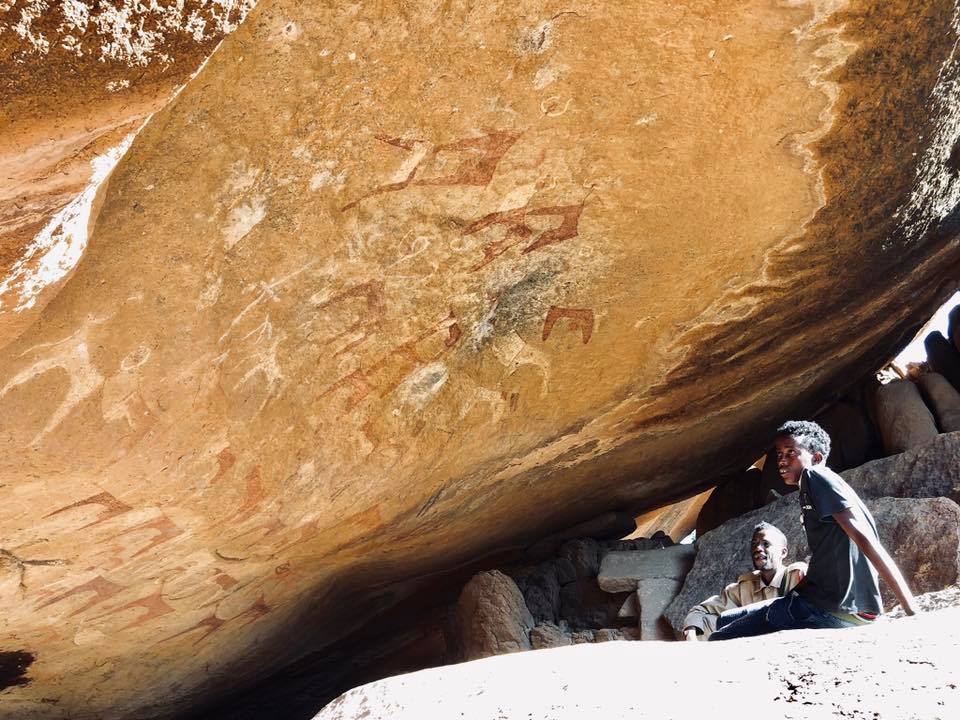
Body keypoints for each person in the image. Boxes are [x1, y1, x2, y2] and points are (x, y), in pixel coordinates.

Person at [709, 420, 920, 641]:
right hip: (822, 602)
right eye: (779, 454)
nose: (781, 461)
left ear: (816, 458)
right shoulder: (822, 487)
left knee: (718, 639)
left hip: (829, 610)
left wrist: (911, 609)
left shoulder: (815, 476)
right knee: (723, 619)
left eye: (791, 453)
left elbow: (866, 541)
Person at [682, 522, 806, 640]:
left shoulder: (797, 576)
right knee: (711, 623)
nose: (758, 548)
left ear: (783, 552)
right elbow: (700, 611)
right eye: (754, 544)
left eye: (766, 544)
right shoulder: (744, 587)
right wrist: (691, 636)